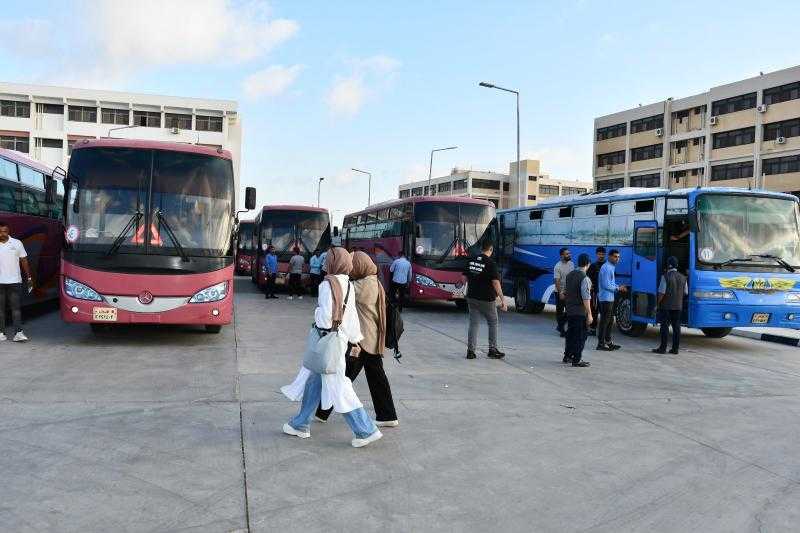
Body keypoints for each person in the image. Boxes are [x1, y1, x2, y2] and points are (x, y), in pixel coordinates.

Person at [281, 247, 383, 448]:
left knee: (340, 387)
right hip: (340, 341)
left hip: (327, 343)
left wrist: (317, 313)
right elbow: (351, 317)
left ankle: (366, 430)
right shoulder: (348, 284)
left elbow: (326, 318)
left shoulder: (327, 284)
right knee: (314, 381)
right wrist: (354, 339)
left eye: (329, 259)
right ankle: (300, 423)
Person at [315, 251, 398, 427]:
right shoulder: (374, 281)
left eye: (354, 264)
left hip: (362, 342)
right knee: (377, 379)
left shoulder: (363, 285)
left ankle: (321, 412)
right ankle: (387, 415)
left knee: (342, 378)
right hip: (372, 340)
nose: (351, 268)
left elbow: (343, 289)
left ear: (361, 266)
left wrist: (334, 273)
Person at [465, 239, 507, 360]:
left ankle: (470, 351)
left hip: (472, 297)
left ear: (480, 248)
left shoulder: (471, 260)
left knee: (473, 324)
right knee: (493, 322)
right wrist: (503, 299)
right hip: (486, 299)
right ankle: (492, 349)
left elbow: (464, 278)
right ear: (491, 249)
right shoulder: (490, 263)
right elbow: (495, 282)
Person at [0, 221, 33, 342]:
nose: (3, 234)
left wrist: (29, 277)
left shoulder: (16, 243)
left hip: (14, 281)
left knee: (16, 308)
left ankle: (18, 333)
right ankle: (1, 333)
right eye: (1, 232)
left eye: (5, 231)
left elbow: (24, 261)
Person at [653, 256, 688, 355]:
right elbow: (685, 292)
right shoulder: (683, 277)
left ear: (668, 265)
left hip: (666, 306)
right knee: (676, 328)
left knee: (664, 327)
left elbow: (661, 293)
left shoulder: (665, 277)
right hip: (678, 307)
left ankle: (662, 348)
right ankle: (675, 349)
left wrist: (657, 304)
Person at [564, 254, 593, 367]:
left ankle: (567, 356)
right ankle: (577, 359)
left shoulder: (570, 275)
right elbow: (586, 297)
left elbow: (566, 291)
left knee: (570, 334)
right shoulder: (585, 278)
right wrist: (589, 314)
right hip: (579, 311)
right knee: (580, 336)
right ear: (588, 264)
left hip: (570, 310)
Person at [597, 248, 627, 351]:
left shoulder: (610, 267)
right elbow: (605, 285)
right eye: (615, 257)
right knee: (605, 321)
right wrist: (618, 288)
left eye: (618, 257)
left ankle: (608, 342)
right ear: (609, 257)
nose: (617, 259)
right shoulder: (606, 268)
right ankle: (600, 344)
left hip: (609, 297)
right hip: (605, 298)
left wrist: (618, 286)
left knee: (610, 320)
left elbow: (610, 283)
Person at [553, 247, 574, 337]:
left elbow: (573, 277)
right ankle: (562, 330)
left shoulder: (572, 264)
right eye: (567, 254)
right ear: (562, 256)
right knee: (560, 311)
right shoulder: (557, 266)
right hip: (560, 292)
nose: (569, 255)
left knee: (570, 310)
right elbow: (557, 281)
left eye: (569, 253)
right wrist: (561, 292)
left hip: (569, 291)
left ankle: (560, 326)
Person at [586, 246, 606, 336]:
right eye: (599, 254)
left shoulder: (607, 265)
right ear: (596, 254)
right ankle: (593, 329)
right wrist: (591, 287)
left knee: (604, 313)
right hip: (595, 294)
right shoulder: (593, 266)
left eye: (603, 254)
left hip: (605, 294)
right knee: (594, 311)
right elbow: (588, 278)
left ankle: (603, 331)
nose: (601, 256)